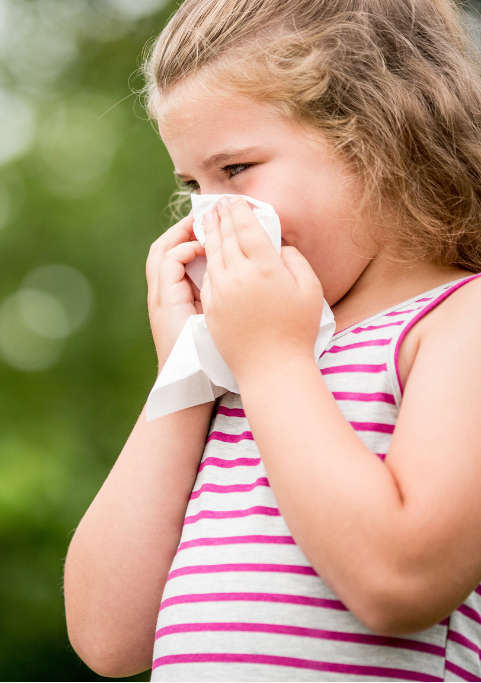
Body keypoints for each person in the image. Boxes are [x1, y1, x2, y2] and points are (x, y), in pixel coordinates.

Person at [64, 0, 481, 680]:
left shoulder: (459, 322)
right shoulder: (247, 359)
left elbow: (399, 581)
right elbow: (109, 636)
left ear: (375, 134)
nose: (211, 214)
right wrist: (187, 371)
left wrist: (270, 359)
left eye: (235, 170)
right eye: (192, 185)